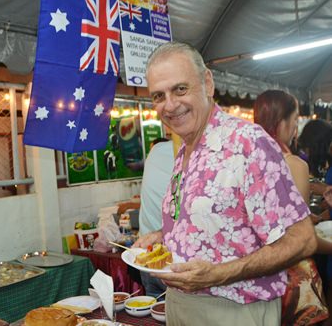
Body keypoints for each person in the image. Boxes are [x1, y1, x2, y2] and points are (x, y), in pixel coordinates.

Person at [134, 41, 317, 326]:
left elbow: (303, 239)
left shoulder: (247, 143)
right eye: (159, 95)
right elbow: (218, 222)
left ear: (207, 83)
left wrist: (220, 273)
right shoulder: (186, 147)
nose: (169, 105)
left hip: (233, 310)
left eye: (180, 89)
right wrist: (163, 235)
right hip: (180, 304)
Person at [254, 89, 329, 325]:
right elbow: (303, 240)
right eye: (295, 120)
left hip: (256, 272)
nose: (296, 128)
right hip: (290, 276)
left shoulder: (245, 161)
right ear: (282, 123)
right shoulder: (294, 165)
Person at [138, 138, 174, 298]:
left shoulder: (156, 150)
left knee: (153, 312)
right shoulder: (196, 153)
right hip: (171, 260)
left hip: (145, 256)